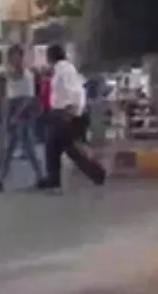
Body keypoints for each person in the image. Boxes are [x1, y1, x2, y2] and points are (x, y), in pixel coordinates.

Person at [38, 45, 107, 190]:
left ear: (51, 56)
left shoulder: (65, 70)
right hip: (61, 113)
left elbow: (74, 91)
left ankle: (97, 173)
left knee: (63, 148)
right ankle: (55, 178)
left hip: (64, 113)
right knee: (58, 148)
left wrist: (71, 110)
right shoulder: (62, 69)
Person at [0, 45, 44, 193]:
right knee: (15, 147)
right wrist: (7, 115)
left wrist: (16, 116)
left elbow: (28, 98)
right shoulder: (9, 75)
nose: (14, 60)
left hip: (23, 112)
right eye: (11, 57)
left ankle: (3, 180)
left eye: (16, 56)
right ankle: (38, 177)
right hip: (13, 111)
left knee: (18, 146)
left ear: (21, 57)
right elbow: (8, 96)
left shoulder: (27, 75)